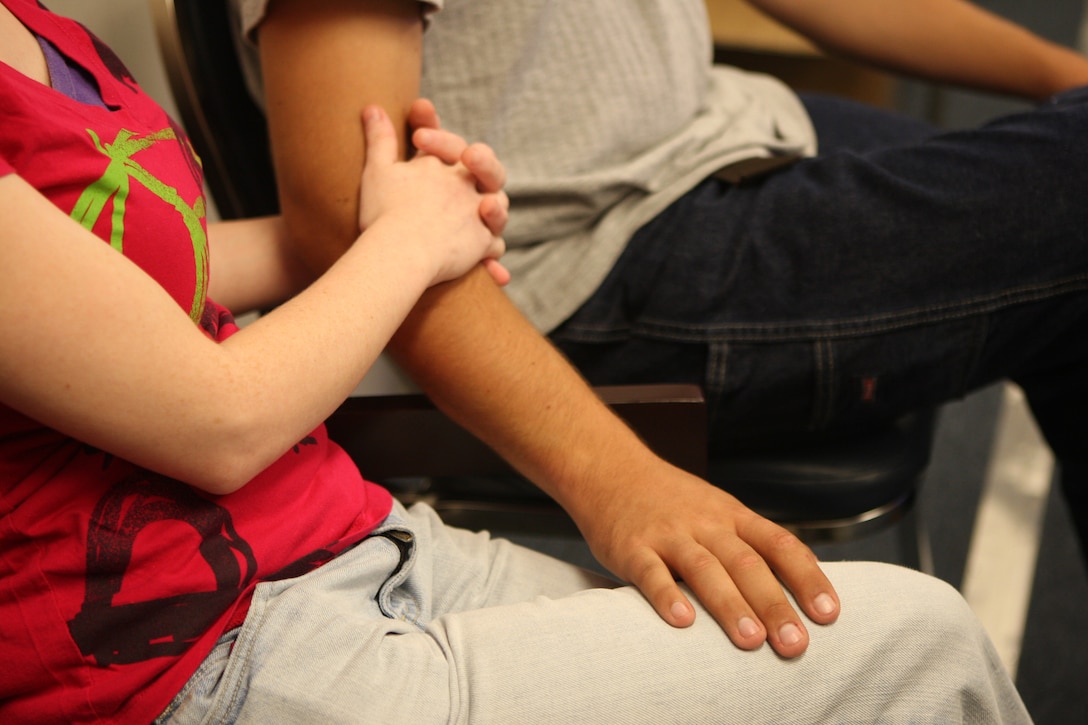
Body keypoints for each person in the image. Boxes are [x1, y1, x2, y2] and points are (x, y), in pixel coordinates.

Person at [0, 1, 1033, 722]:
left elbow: (123, 282)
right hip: (179, 658)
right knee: (921, 647)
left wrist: (414, 218)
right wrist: (402, 247)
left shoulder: (37, 28)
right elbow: (213, 422)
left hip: (334, 537)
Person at [232, 0, 1088, 580]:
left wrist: (1066, 69)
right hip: (581, 272)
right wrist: (617, 481)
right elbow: (347, 221)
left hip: (720, 130)